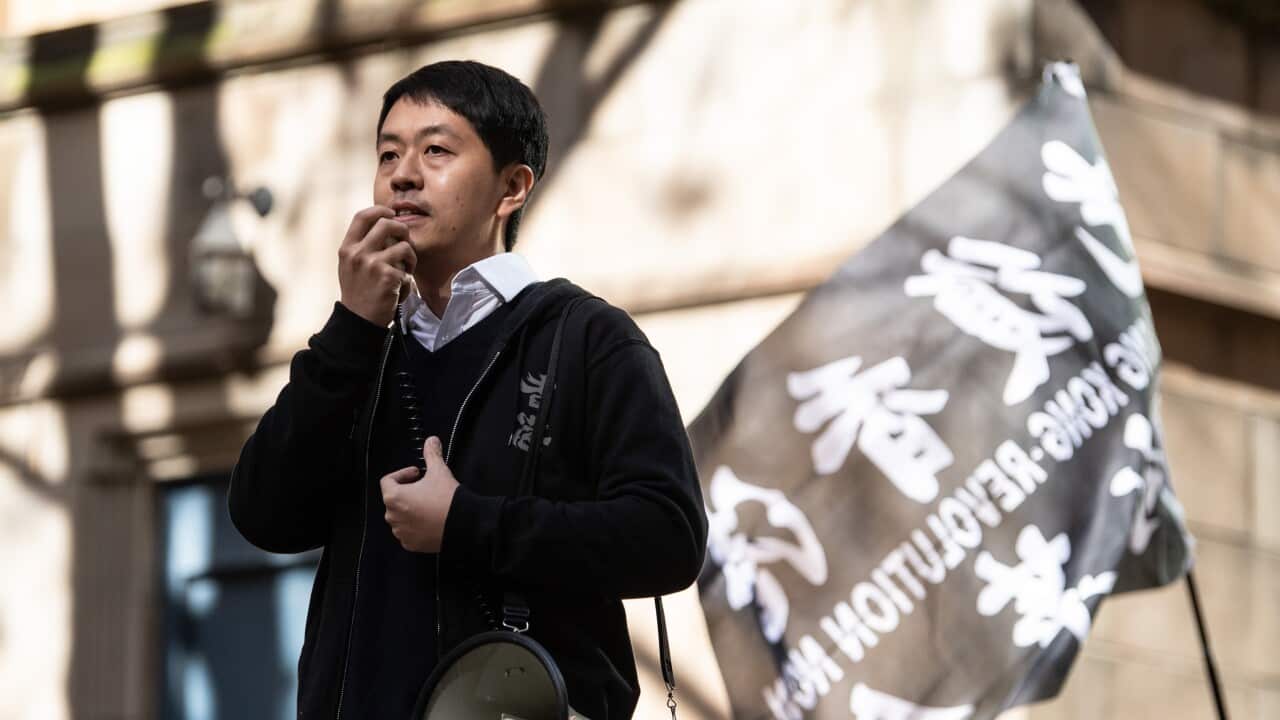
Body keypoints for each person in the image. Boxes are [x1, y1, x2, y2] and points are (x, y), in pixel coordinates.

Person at [228, 60, 707, 719]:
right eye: (388, 153)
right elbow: (262, 514)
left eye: (436, 150)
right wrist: (350, 330)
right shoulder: (360, 352)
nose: (402, 174)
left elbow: (667, 536)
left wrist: (468, 523)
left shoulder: (586, 338)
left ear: (511, 187)